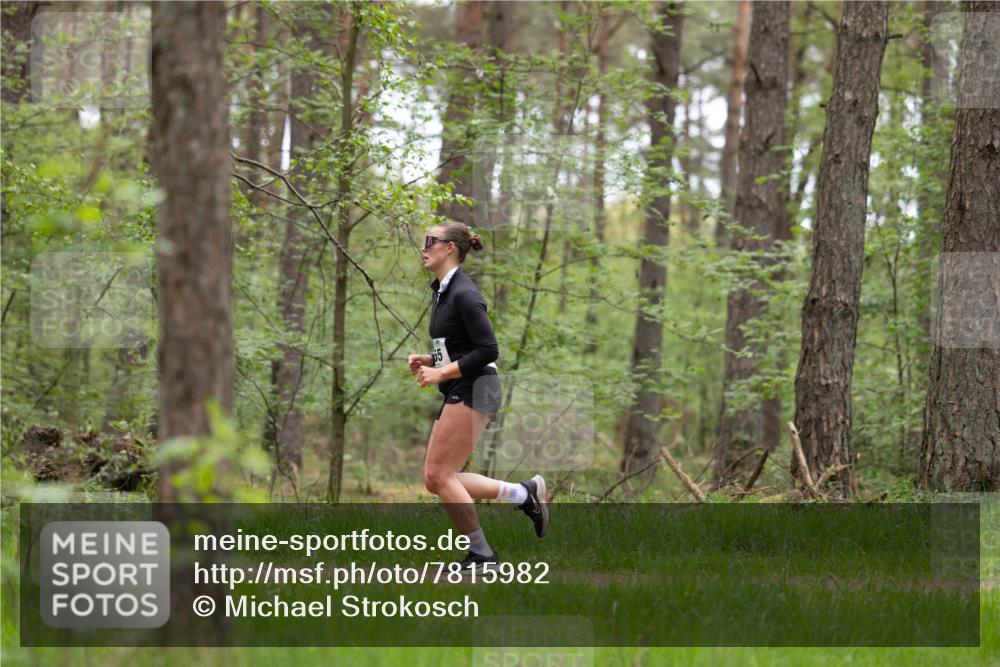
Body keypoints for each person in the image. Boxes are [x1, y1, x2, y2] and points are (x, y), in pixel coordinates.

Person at [408, 220, 549, 574]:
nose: (423, 247)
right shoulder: (442, 291)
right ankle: (523, 494)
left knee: (440, 475)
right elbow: (460, 346)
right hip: (463, 385)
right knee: (437, 478)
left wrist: (440, 372)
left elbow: (488, 349)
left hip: (476, 386)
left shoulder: (465, 294)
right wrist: (431, 360)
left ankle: (483, 556)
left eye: (430, 241)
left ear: (449, 248)